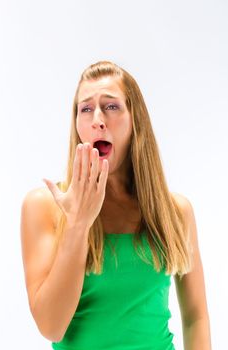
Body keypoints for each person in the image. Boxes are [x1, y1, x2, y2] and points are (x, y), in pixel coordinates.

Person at [20, 60, 212, 349]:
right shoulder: (44, 206)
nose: (97, 118)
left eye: (111, 106)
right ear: (77, 125)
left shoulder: (176, 211)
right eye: (85, 108)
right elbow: (51, 326)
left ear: (136, 121)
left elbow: (195, 317)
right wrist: (78, 223)